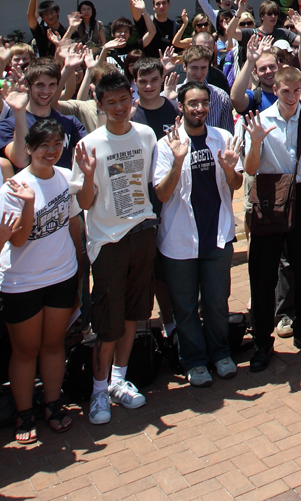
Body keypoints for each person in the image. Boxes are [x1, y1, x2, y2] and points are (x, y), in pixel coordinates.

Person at [68, 70, 158, 423]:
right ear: (100, 105)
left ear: (131, 98)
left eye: (124, 99)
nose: (119, 107)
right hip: (107, 242)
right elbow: (84, 203)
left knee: (134, 313)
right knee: (108, 323)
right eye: (111, 102)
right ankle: (98, 391)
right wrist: (89, 175)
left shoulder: (146, 135)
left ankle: (119, 380)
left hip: (142, 232)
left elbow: (149, 183)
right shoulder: (89, 145)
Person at [240, 66, 301, 369]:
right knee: (263, 272)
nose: (292, 97)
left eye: (296, 91)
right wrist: (256, 143)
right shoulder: (260, 121)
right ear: (276, 90)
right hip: (270, 195)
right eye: (286, 91)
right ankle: (262, 340)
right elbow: (250, 169)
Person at [0, 118, 88, 442]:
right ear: (29, 148)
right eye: (43, 146)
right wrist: (28, 203)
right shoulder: (13, 188)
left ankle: (53, 404)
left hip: (61, 275)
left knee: (53, 345)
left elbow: (73, 223)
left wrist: (79, 267)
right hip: (22, 282)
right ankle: (24, 414)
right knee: (25, 351)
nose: (51, 151)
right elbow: (18, 240)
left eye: (57, 144)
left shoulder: (65, 177)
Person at [154, 82, 244, 384]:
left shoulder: (223, 137)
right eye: (192, 103)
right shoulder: (166, 144)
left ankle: (220, 353)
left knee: (217, 302)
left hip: (216, 236)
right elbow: (162, 194)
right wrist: (178, 160)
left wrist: (230, 168)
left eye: (204, 103)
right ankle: (193, 361)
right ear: (181, 107)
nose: (199, 109)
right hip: (179, 240)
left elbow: (236, 184)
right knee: (185, 306)